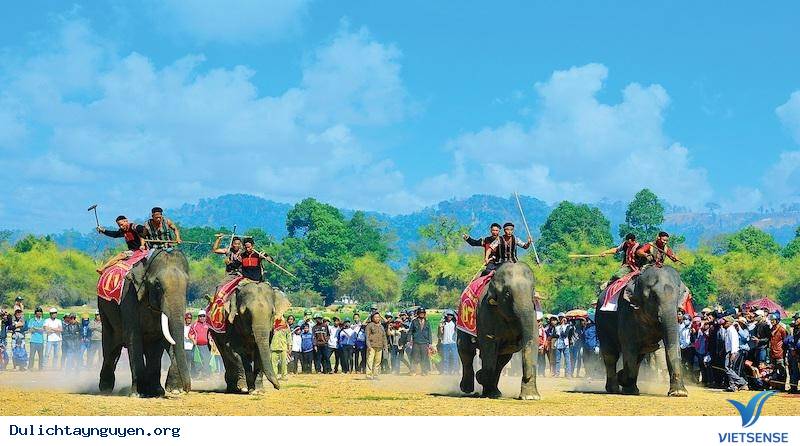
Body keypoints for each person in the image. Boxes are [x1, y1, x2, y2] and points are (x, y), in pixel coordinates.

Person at [723, 316, 749, 392]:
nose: (724, 323)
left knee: (728, 369)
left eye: (725, 321)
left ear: (729, 322)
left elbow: (734, 342)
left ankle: (742, 382)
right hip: (730, 351)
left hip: (732, 352)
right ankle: (733, 386)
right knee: (730, 369)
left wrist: (733, 353)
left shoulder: (731, 330)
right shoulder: (728, 330)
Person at [408, 308, 432, 376]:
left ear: (424, 314)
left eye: (423, 313)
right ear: (418, 314)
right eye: (420, 313)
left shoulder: (427, 322)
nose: (422, 314)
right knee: (414, 357)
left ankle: (424, 371)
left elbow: (429, 333)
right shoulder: (414, 321)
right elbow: (410, 331)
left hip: (424, 342)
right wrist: (408, 340)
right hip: (416, 342)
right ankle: (413, 371)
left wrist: (430, 343)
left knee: (424, 357)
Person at [188, 310, 211, 379]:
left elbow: (211, 334)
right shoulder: (194, 325)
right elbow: (190, 334)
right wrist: (193, 340)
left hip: (206, 346)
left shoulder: (208, 325)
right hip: (197, 346)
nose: (202, 317)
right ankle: (197, 375)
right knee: (197, 361)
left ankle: (206, 375)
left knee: (206, 360)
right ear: (198, 317)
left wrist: (210, 340)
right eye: (200, 316)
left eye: (203, 316)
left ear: (205, 317)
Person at [769, 314, 788, 390]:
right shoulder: (772, 329)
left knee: (782, 370)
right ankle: (776, 386)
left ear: (777, 320)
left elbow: (785, 342)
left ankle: (782, 387)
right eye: (771, 320)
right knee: (774, 370)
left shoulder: (782, 329)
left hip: (780, 353)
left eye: (773, 320)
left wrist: (784, 353)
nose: (772, 321)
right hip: (772, 353)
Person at [366, 313, 387, 380]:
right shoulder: (369, 325)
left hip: (380, 346)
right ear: (372, 318)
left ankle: (375, 375)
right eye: (375, 317)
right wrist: (368, 346)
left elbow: (384, 337)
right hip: (371, 346)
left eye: (378, 317)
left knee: (378, 361)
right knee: (370, 360)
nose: (377, 318)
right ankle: (369, 375)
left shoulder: (381, 326)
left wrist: (385, 346)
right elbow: (367, 336)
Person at [271, 316, 291, 380]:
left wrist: (290, 346)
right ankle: (275, 376)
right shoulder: (272, 325)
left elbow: (289, 336)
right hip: (273, 347)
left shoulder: (286, 326)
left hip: (283, 347)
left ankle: (284, 376)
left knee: (284, 363)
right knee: (273, 364)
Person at [27, 307, 45, 371]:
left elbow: (44, 329)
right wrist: (39, 329)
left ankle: (40, 368)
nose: (39, 313)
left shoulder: (43, 320)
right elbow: (30, 330)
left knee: (41, 356)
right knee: (32, 356)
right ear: (35, 313)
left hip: (41, 341)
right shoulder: (32, 320)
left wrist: (35, 328)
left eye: (40, 311)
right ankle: (30, 367)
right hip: (33, 340)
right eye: (38, 311)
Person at [785, 318, 800, 394]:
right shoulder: (794, 332)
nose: (792, 327)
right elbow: (786, 341)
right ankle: (793, 387)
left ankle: (794, 387)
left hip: (796, 353)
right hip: (793, 353)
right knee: (792, 371)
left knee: (795, 371)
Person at [183, 312, 196, 377]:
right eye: (187, 318)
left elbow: (194, 335)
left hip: (191, 347)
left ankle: (193, 374)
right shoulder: (183, 327)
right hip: (184, 347)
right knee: (186, 362)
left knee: (192, 361)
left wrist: (191, 337)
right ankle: (186, 374)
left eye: (190, 318)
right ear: (185, 319)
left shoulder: (193, 327)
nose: (189, 319)